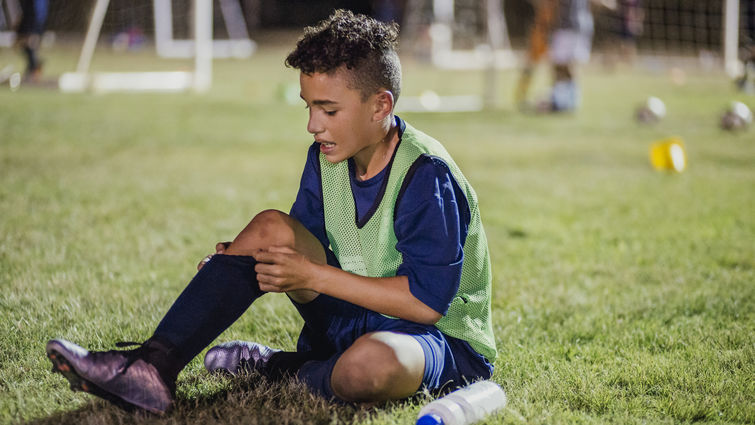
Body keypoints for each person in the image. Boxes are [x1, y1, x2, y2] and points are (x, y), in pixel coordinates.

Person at [46, 9, 496, 415]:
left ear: (381, 105)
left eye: (328, 109)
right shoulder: (327, 156)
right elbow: (298, 238)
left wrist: (311, 277)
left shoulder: (426, 174)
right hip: (357, 315)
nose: (313, 124)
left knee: (366, 369)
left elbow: (425, 303)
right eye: (309, 107)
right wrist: (236, 267)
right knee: (269, 228)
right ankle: (151, 368)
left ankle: (277, 368)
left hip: (435, 342)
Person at [15, 0, 48, 82]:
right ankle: (34, 65)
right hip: (28, 15)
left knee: (30, 42)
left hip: (34, 17)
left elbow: (40, 9)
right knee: (20, 43)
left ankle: (33, 69)